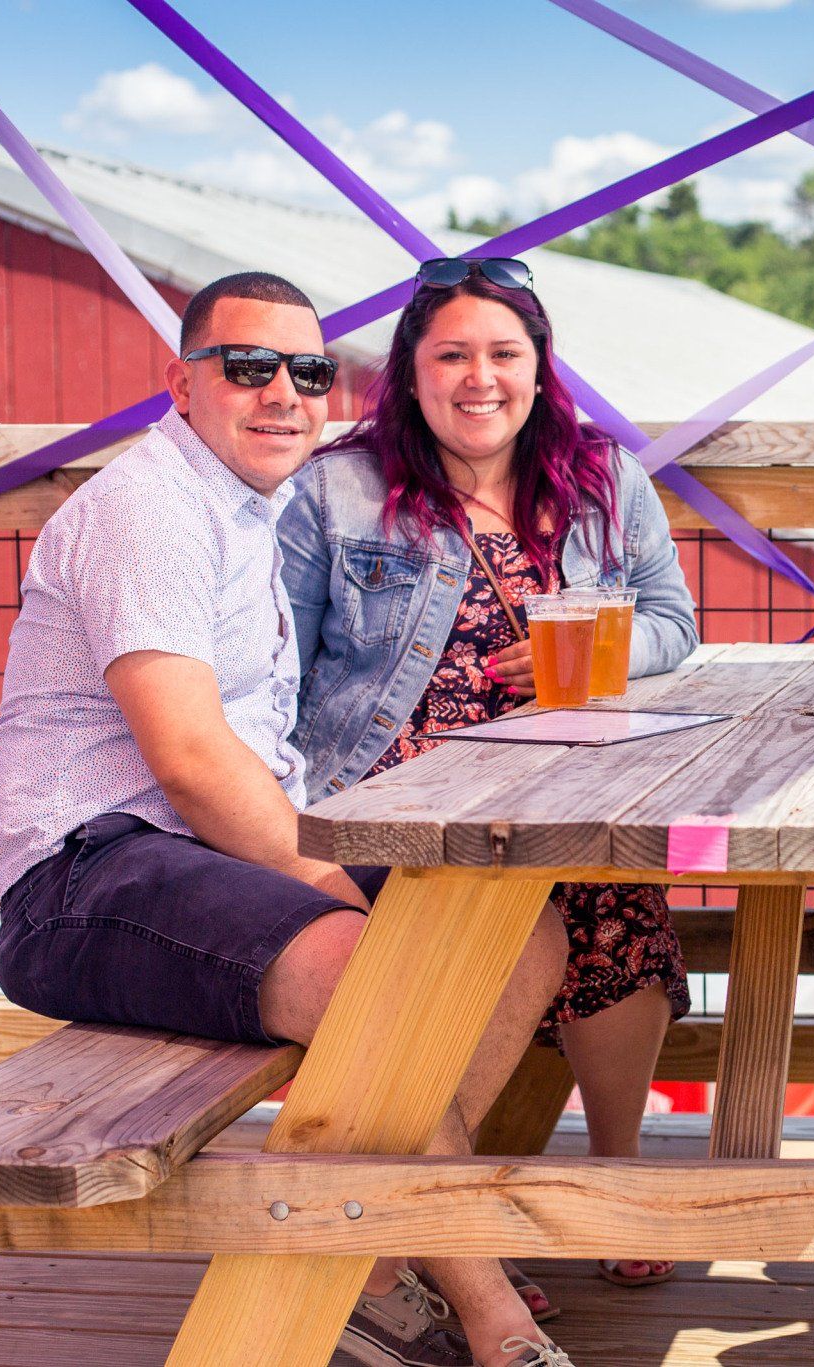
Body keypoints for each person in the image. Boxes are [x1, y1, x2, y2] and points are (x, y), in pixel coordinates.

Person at [0, 272, 573, 1367]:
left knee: (516, 932)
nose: (283, 394)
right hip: (86, 872)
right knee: (366, 960)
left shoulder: (249, 505)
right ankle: (496, 1316)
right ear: (183, 383)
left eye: (307, 372)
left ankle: (379, 1270)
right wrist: (330, 882)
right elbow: (196, 765)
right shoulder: (150, 508)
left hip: (203, 860)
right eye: (248, 366)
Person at [278, 256, 701, 1315]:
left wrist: (610, 649)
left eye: (503, 353)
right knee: (517, 915)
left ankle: (613, 1171)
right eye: (452, 354)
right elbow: (271, 661)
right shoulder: (339, 485)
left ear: (539, 366)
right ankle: (435, 1224)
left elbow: (675, 620)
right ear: (410, 374)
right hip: (396, 802)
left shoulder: (603, 474)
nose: (480, 377)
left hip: (564, 779)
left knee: (616, 892)